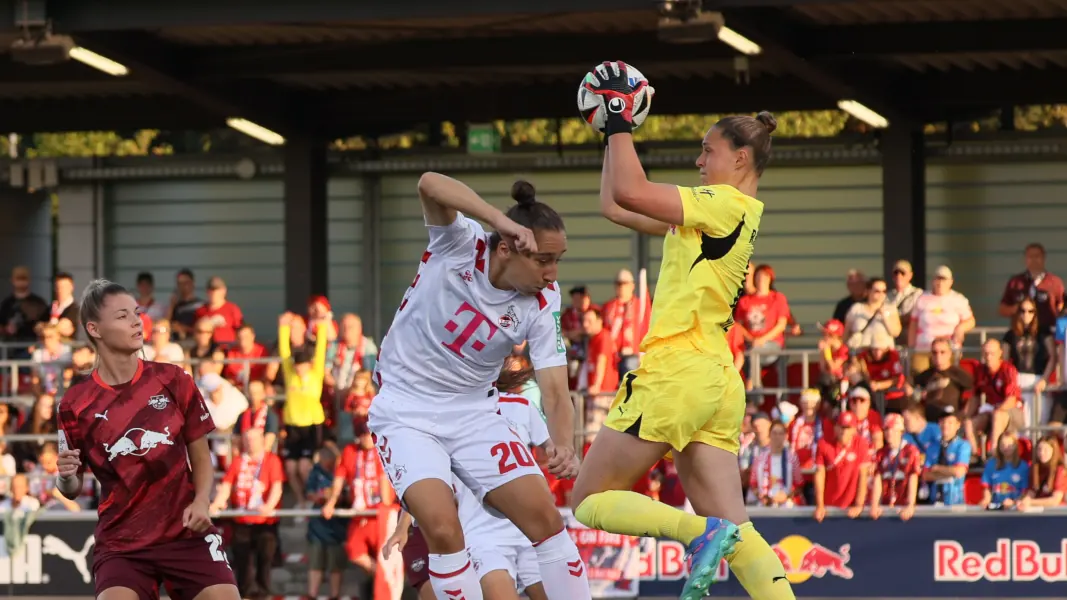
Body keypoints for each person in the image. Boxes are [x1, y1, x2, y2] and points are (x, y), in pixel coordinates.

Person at [570, 61, 793, 600]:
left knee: (588, 498)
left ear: (740, 158)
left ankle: (697, 533)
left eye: (707, 151)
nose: (698, 160)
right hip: (714, 377)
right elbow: (615, 203)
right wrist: (610, 130)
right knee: (740, 533)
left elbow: (631, 186)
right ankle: (723, 543)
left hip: (677, 371)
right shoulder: (720, 213)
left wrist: (621, 120)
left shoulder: (721, 203)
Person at [368, 173, 589, 600]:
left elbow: (557, 391)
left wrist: (564, 444)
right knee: (443, 527)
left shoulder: (544, 302)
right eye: (544, 260)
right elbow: (429, 183)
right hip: (405, 411)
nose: (553, 273)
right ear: (506, 246)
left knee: (546, 520)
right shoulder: (459, 245)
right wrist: (495, 219)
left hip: (474, 414)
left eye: (558, 259)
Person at [54, 279, 238, 600]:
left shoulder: (174, 380)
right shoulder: (75, 403)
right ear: (95, 329)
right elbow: (71, 488)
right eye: (123, 316)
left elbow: (200, 455)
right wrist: (65, 476)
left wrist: (201, 501)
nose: (137, 321)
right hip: (122, 543)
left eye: (136, 312)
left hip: (185, 533)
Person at [383, 364, 552, 600]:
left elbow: (552, 448)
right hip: (484, 539)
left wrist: (563, 459)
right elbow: (424, 480)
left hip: (528, 529)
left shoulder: (522, 406)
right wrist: (402, 527)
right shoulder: (443, 421)